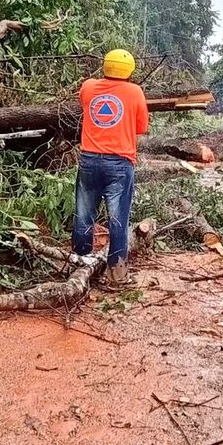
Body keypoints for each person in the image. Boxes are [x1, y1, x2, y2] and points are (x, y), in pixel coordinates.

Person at [70, 49, 149, 285]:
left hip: (89, 159)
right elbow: (141, 127)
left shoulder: (89, 87)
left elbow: (85, 103)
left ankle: (79, 263)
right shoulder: (134, 91)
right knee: (118, 219)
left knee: (84, 213)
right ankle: (117, 274)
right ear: (129, 70)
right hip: (119, 162)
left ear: (105, 66)